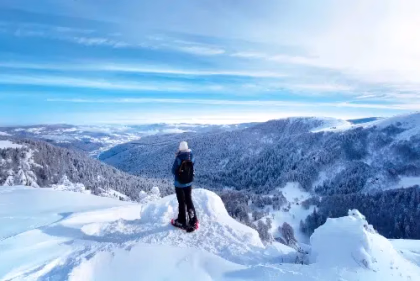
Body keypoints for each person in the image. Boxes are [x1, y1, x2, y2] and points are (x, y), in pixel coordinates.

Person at [171, 141, 198, 230]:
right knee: (189, 200)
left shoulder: (179, 158)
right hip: (189, 182)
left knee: (181, 202)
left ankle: (182, 220)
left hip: (179, 184)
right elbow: (193, 165)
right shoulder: (192, 156)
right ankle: (193, 220)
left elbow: (173, 170)